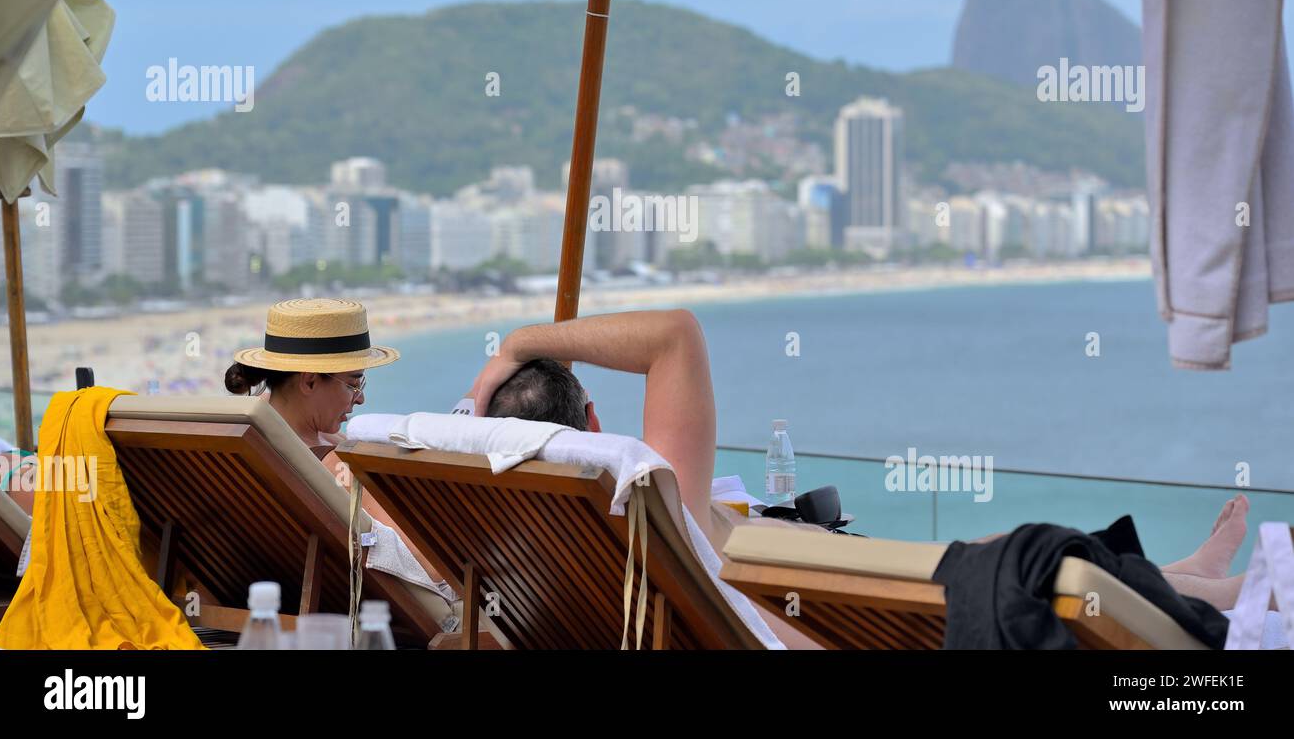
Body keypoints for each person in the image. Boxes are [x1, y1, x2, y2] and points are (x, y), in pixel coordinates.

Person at [469, 308, 1266, 618]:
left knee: (1015, 554)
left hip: (810, 583)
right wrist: (523, 342)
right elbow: (675, 335)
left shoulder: (524, 536)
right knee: (1028, 563)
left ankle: (1186, 571)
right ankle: (1228, 592)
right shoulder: (646, 500)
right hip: (848, 604)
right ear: (597, 422)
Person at [224, 297, 445, 584]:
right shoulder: (334, 464)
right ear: (309, 381)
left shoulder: (243, 436)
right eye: (354, 383)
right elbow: (433, 570)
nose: (361, 398)